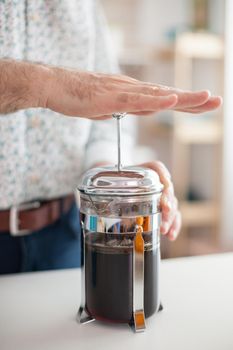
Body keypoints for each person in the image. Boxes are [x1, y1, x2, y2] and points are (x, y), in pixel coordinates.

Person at [0, 1, 222, 274]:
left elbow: (106, 115)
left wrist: (113, 183)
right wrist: (48, 84)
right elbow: (83, 92)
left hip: (65, 234)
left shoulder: (85, 7)